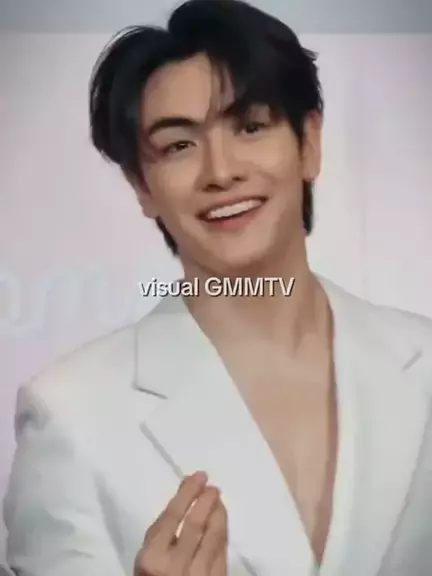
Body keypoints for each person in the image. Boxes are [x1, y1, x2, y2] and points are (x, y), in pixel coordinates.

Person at [3, 0, 432, 575]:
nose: (221, 172)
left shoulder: (424, 362)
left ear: (309, 142)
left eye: (250, 126)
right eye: (178, 145)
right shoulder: (70, 415)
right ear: (142, 186)